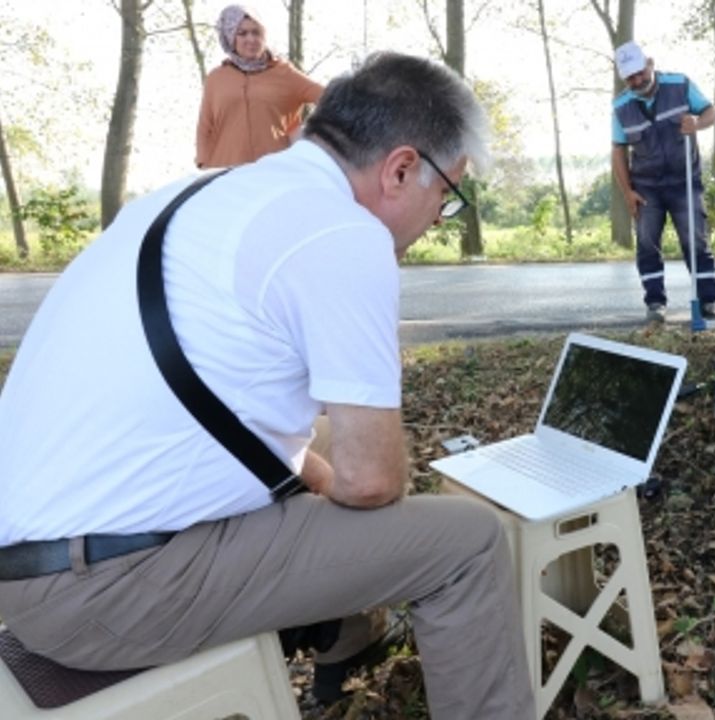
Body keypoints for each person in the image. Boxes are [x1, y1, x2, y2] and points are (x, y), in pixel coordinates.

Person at [0, 52, 535, 718]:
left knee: (320, 449)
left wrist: (321, 480)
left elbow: (235, 420)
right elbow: (372, 481)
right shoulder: (344, 235)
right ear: (401, 169)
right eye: (446, 198)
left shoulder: (196, 196)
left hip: (33, 569)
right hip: (105, 593)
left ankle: (345, 634)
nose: (435, 224)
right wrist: (336, 486)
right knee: (467, 544)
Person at [611, 41, 715, 324]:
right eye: (630, 77)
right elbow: (618, 150)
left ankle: (708, 302)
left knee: (695, 241)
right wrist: (628, 193)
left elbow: (711, 112)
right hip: (646, 186)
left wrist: (697, 124)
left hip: (684, 180)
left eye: (640, 73)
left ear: (650, 63)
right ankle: (655, 304)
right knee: (647, 244)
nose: (637, 81)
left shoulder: (679, 84)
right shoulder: (621, 106)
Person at [195, 4, 325, 168]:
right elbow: (205, 126)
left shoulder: (285, 73)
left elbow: (330, 99)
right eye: (242, 33)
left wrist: (311, 139)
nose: (251, 39)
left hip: (274, 173)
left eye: (256, 32)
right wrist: (203, 164)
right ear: (230, 37)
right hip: (225, 175)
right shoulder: (216, 78)